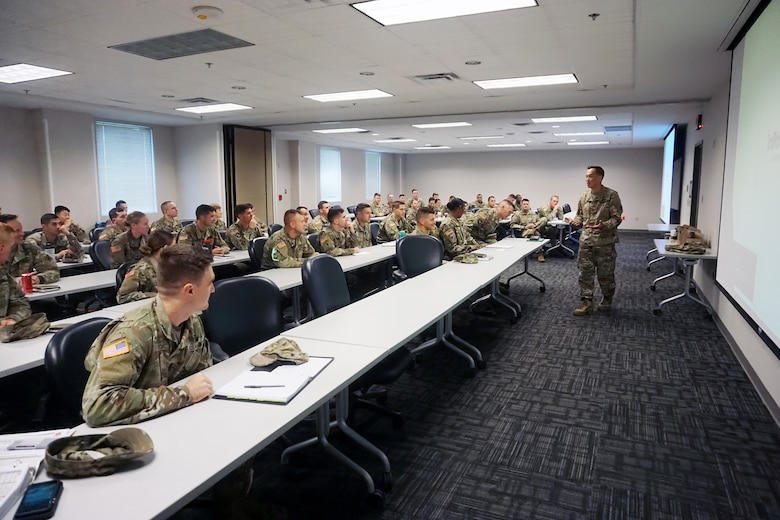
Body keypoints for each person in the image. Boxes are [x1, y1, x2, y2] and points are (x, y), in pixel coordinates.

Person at [569, 166, 623, 316]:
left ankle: (607, 299)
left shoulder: (611, 195)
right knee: (585, 274)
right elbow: (580, 216)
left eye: (590, 176)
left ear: (600, 177)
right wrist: (575, 222)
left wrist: (604, 225)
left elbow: (616, 218)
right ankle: (587, 302)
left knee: (605, 274)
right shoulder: (584, 197)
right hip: (586, 242)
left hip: (604, 243)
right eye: (586, 176)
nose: (587, 179)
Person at [116, 230, 174, 304]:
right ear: (165, 249)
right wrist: (154, 296)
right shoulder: (141, 269)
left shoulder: (169, 265)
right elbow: (122, 297)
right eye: (174, 246)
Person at [0, 214, 59, 285]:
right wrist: (20, 281)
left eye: (21, 229)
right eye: (17, 231)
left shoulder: (29, 248)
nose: (22, 233)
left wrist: (38, 279)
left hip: (28, 293)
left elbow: (53, 270)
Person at [0, 222, 32, 327]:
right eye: (10, 248)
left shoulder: (3, 274)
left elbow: (21, 303)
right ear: (1, 248)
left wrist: (13, 319)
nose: (10, 252)